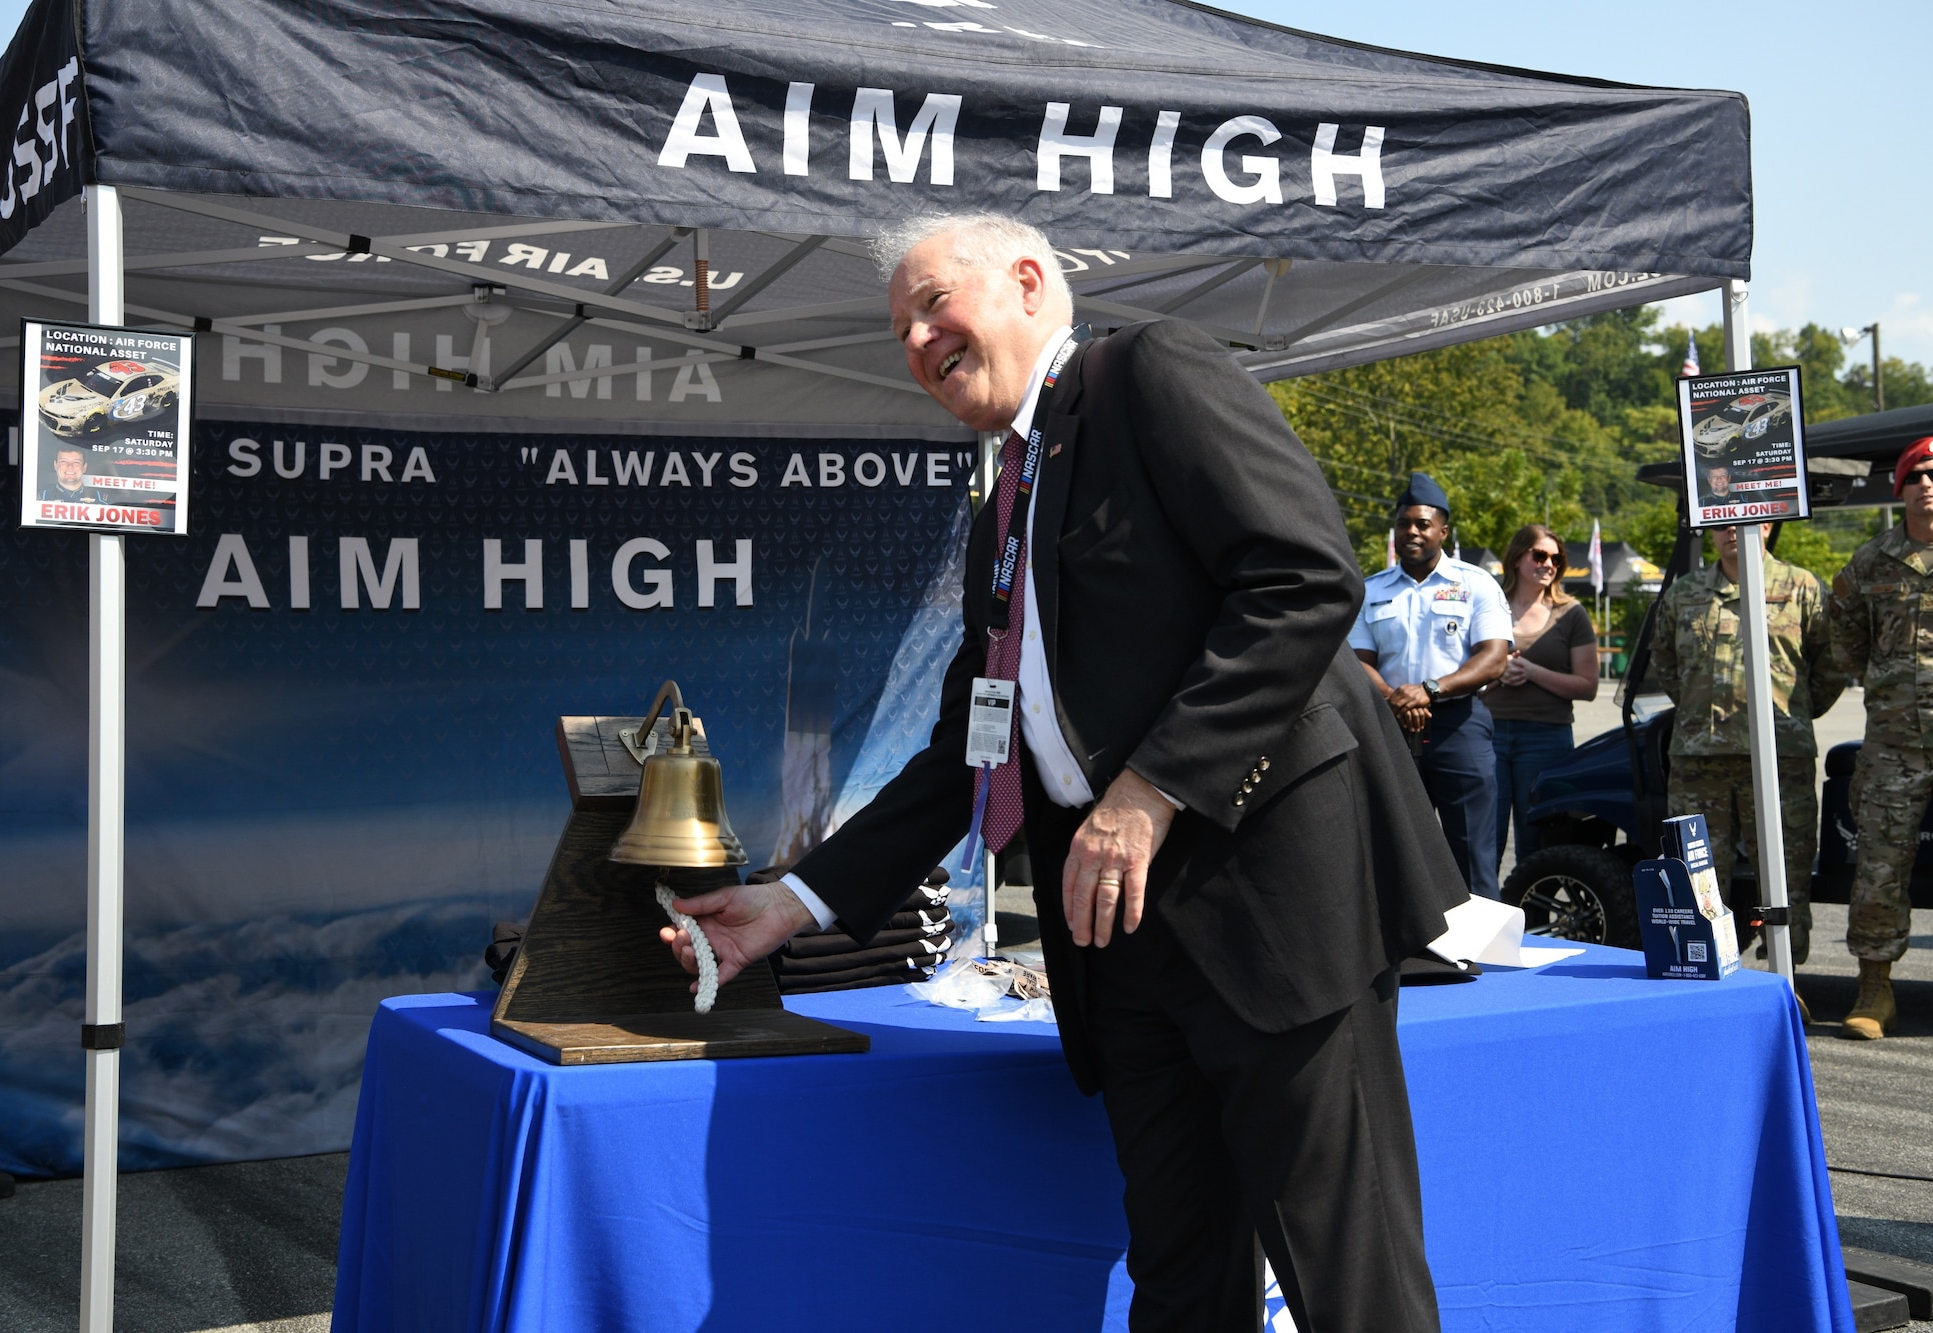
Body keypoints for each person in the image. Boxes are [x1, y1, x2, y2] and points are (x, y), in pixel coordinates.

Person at [658, 214, 1463, 1332]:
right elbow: (968, 748)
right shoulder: (1004, 501)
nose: (917, 342)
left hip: (1271, 914)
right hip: (1120, 951)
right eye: (899, 330)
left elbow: (1301, 578)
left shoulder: (1150, 374)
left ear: (1029, 281)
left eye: (934, 304)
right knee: (1179, 1279)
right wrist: (787, 905)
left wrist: (1148, 793)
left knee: (1349, 1283)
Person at [1651, 521, 1843, 971]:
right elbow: (1666, 662)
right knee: (1695, 876)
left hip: (1780, 759)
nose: (1733, 530)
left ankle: (1788, 982)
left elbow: (1831, 664)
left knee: (1786, 877)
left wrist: (1791, 714)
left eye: (1745, 520)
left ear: (1768, 523)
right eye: (1720, 523)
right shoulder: (1685, 592)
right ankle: (1706, 975)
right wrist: (1702, 714)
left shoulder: (1801, 586)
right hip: (1700, 760)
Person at [1827, 435, 1933, 1039]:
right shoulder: (1871, 561)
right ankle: (1875, 987)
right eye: (1917, 475)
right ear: (1899, 489)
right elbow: (1840, 627)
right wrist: (1877, 675)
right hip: (1894, 740)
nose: (1930, 483)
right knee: (1879, 865)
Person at [1348, 477, 1512, 898]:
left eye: (1423, 524)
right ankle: (1408, 959)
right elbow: (1356, 660)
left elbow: (1493, 658)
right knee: (1395, 849)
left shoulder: (1476, 583)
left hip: (1460, 727)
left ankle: (1477, 959)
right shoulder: (1371, 590)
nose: (1412, 533)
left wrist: (1430, 689)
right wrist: (1397, 699)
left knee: (1472, 853)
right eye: (1404, 524)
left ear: (1443, 530)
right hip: (1391, 728)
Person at [1485, 525, 1598, 865]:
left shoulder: (1572, 613)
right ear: (1517, 558)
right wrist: (1497, 671)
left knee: (1538, 845)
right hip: (1487, 735)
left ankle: (1535, 917)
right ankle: (1486, 917)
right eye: (1539, 555)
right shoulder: (1489, 606)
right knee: (1483, 841)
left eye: (1556, 558)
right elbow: (1462, 670)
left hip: (1546, 737)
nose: (1549, 563)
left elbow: (1588, 686)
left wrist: (1533, 672)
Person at [39, 445, 104, 503]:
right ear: (55, 465)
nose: (70, 466)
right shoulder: (42, 499)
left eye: (76, 462)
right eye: (64, 461)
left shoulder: (101, 500)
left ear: (84, 467)